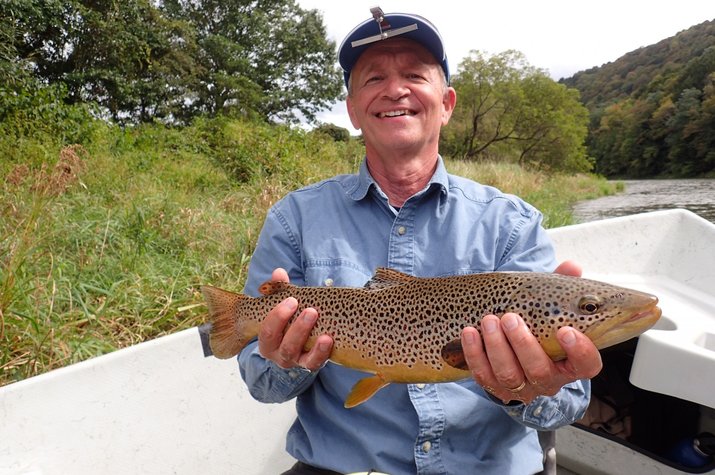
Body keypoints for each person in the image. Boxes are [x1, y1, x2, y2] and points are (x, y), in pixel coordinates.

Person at [238, 8, 603, 475]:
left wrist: (528, 388)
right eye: (373, 79)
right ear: (352, 110)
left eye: (414, 74)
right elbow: (262, 383)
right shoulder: (296, 218)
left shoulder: (511, 223)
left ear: (447, 103)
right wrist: (283, 359)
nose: (395, 89)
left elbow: (568, 403)